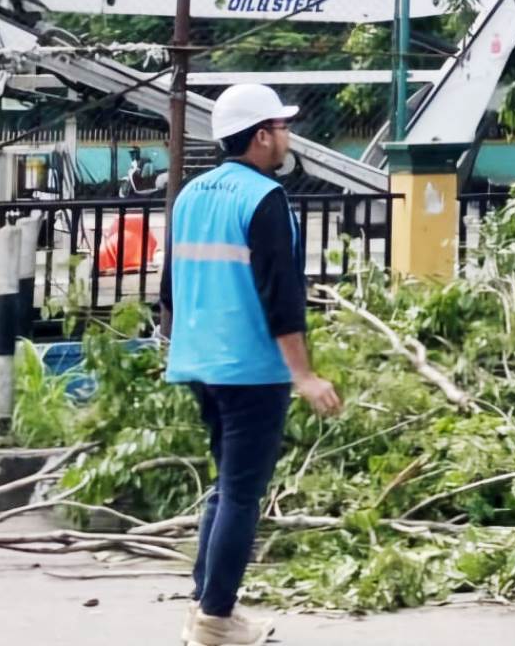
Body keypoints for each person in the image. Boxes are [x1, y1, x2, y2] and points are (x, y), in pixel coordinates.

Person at [160, 83, 343, 646]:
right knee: (241, 492)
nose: (288, 136)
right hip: (251, 369)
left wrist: (175, 344)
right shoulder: (264, 198)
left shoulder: (191, 193)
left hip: (199, 365)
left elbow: (168, 288)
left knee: (226, 486)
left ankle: (207, 606)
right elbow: (280, 295)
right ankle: (215, 619)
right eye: (282, 127)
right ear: (262, 136)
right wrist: (304, 375)